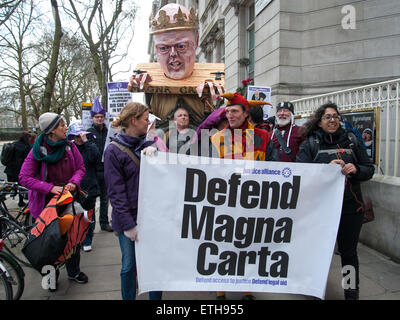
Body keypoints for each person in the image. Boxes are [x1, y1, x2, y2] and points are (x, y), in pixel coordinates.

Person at [296, 102, 375, 300]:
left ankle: (351, 293)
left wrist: (355, 170)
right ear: (319, 122)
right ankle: (314, 290)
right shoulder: (310, 144)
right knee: (317, 252)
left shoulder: (352, 141)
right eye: (327, 117)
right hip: (319, 211)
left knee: (349, 254)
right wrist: (325, 168)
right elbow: (302, 174)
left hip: (350, 208)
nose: (332, 120)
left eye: (335, 117)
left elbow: (368, 169)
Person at [209, 93, 278, 300]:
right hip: (223, 202)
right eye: (227, 111)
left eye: (234, 111)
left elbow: (275, 168)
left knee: (249, 245)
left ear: (246, 113)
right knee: (221, 245)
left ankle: (248, 289)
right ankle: (221, 290)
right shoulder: (216, 138)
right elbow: (206, 170)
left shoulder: (264, 138)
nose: (229, 115)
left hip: (252, 202)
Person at [19, 112, 88, 288]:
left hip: (67, 202)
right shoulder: (37, 151)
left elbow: (80, 168)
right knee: (49, 245)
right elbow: (24, 177)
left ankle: (74, 272)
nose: (66, 128)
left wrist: (73, 182)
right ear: (51, 131)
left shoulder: (70, 147)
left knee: (73, 238)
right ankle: (50, 277)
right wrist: (49, 188)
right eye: (62, 125)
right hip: (45, 207)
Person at [103, 102, 162, 301]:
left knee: (154, 265)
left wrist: (155, 149)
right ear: (133, 120)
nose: (149, 122)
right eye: (146, 119)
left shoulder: (145, 144)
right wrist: (128, 225)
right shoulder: (113, 151)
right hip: (127, 220)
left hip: (150, 217)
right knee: (129, 265)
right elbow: (115, 193)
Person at [129, 3, 222, 127]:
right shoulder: (151, 90)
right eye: (163, 48)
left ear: (196, 41)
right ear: (156, 50)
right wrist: (148, 92)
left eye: (181, 46)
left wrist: (209, 100)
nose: (173, 54)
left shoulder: (207, 90)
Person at [67, 122, 100, 252]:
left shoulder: (90, 146)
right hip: (75, 188)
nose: (79, 138)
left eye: (81, 136)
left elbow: (95, 158)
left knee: (89, 216)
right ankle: (79, 238)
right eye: (76, 136)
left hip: (89, 187)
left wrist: (87, 142)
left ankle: (87, 240)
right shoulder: (69, 149)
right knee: (76, 216)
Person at [87, 97, 113, 232]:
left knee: (105, 198)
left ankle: (104, 222)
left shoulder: (108, 131)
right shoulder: (89, 132)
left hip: (106, 169)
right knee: (91, 199)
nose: (99, 119)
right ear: (92, 118)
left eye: (101, 116)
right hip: (93, 170)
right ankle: (90, 225)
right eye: (97, 117)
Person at [3, 131, 33, 206]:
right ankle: (21, 201)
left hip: (9, 169)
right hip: (19, 169)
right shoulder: (26, 146)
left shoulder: (13, 144)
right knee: (21, 187)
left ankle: (3, 201)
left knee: (9, 188)